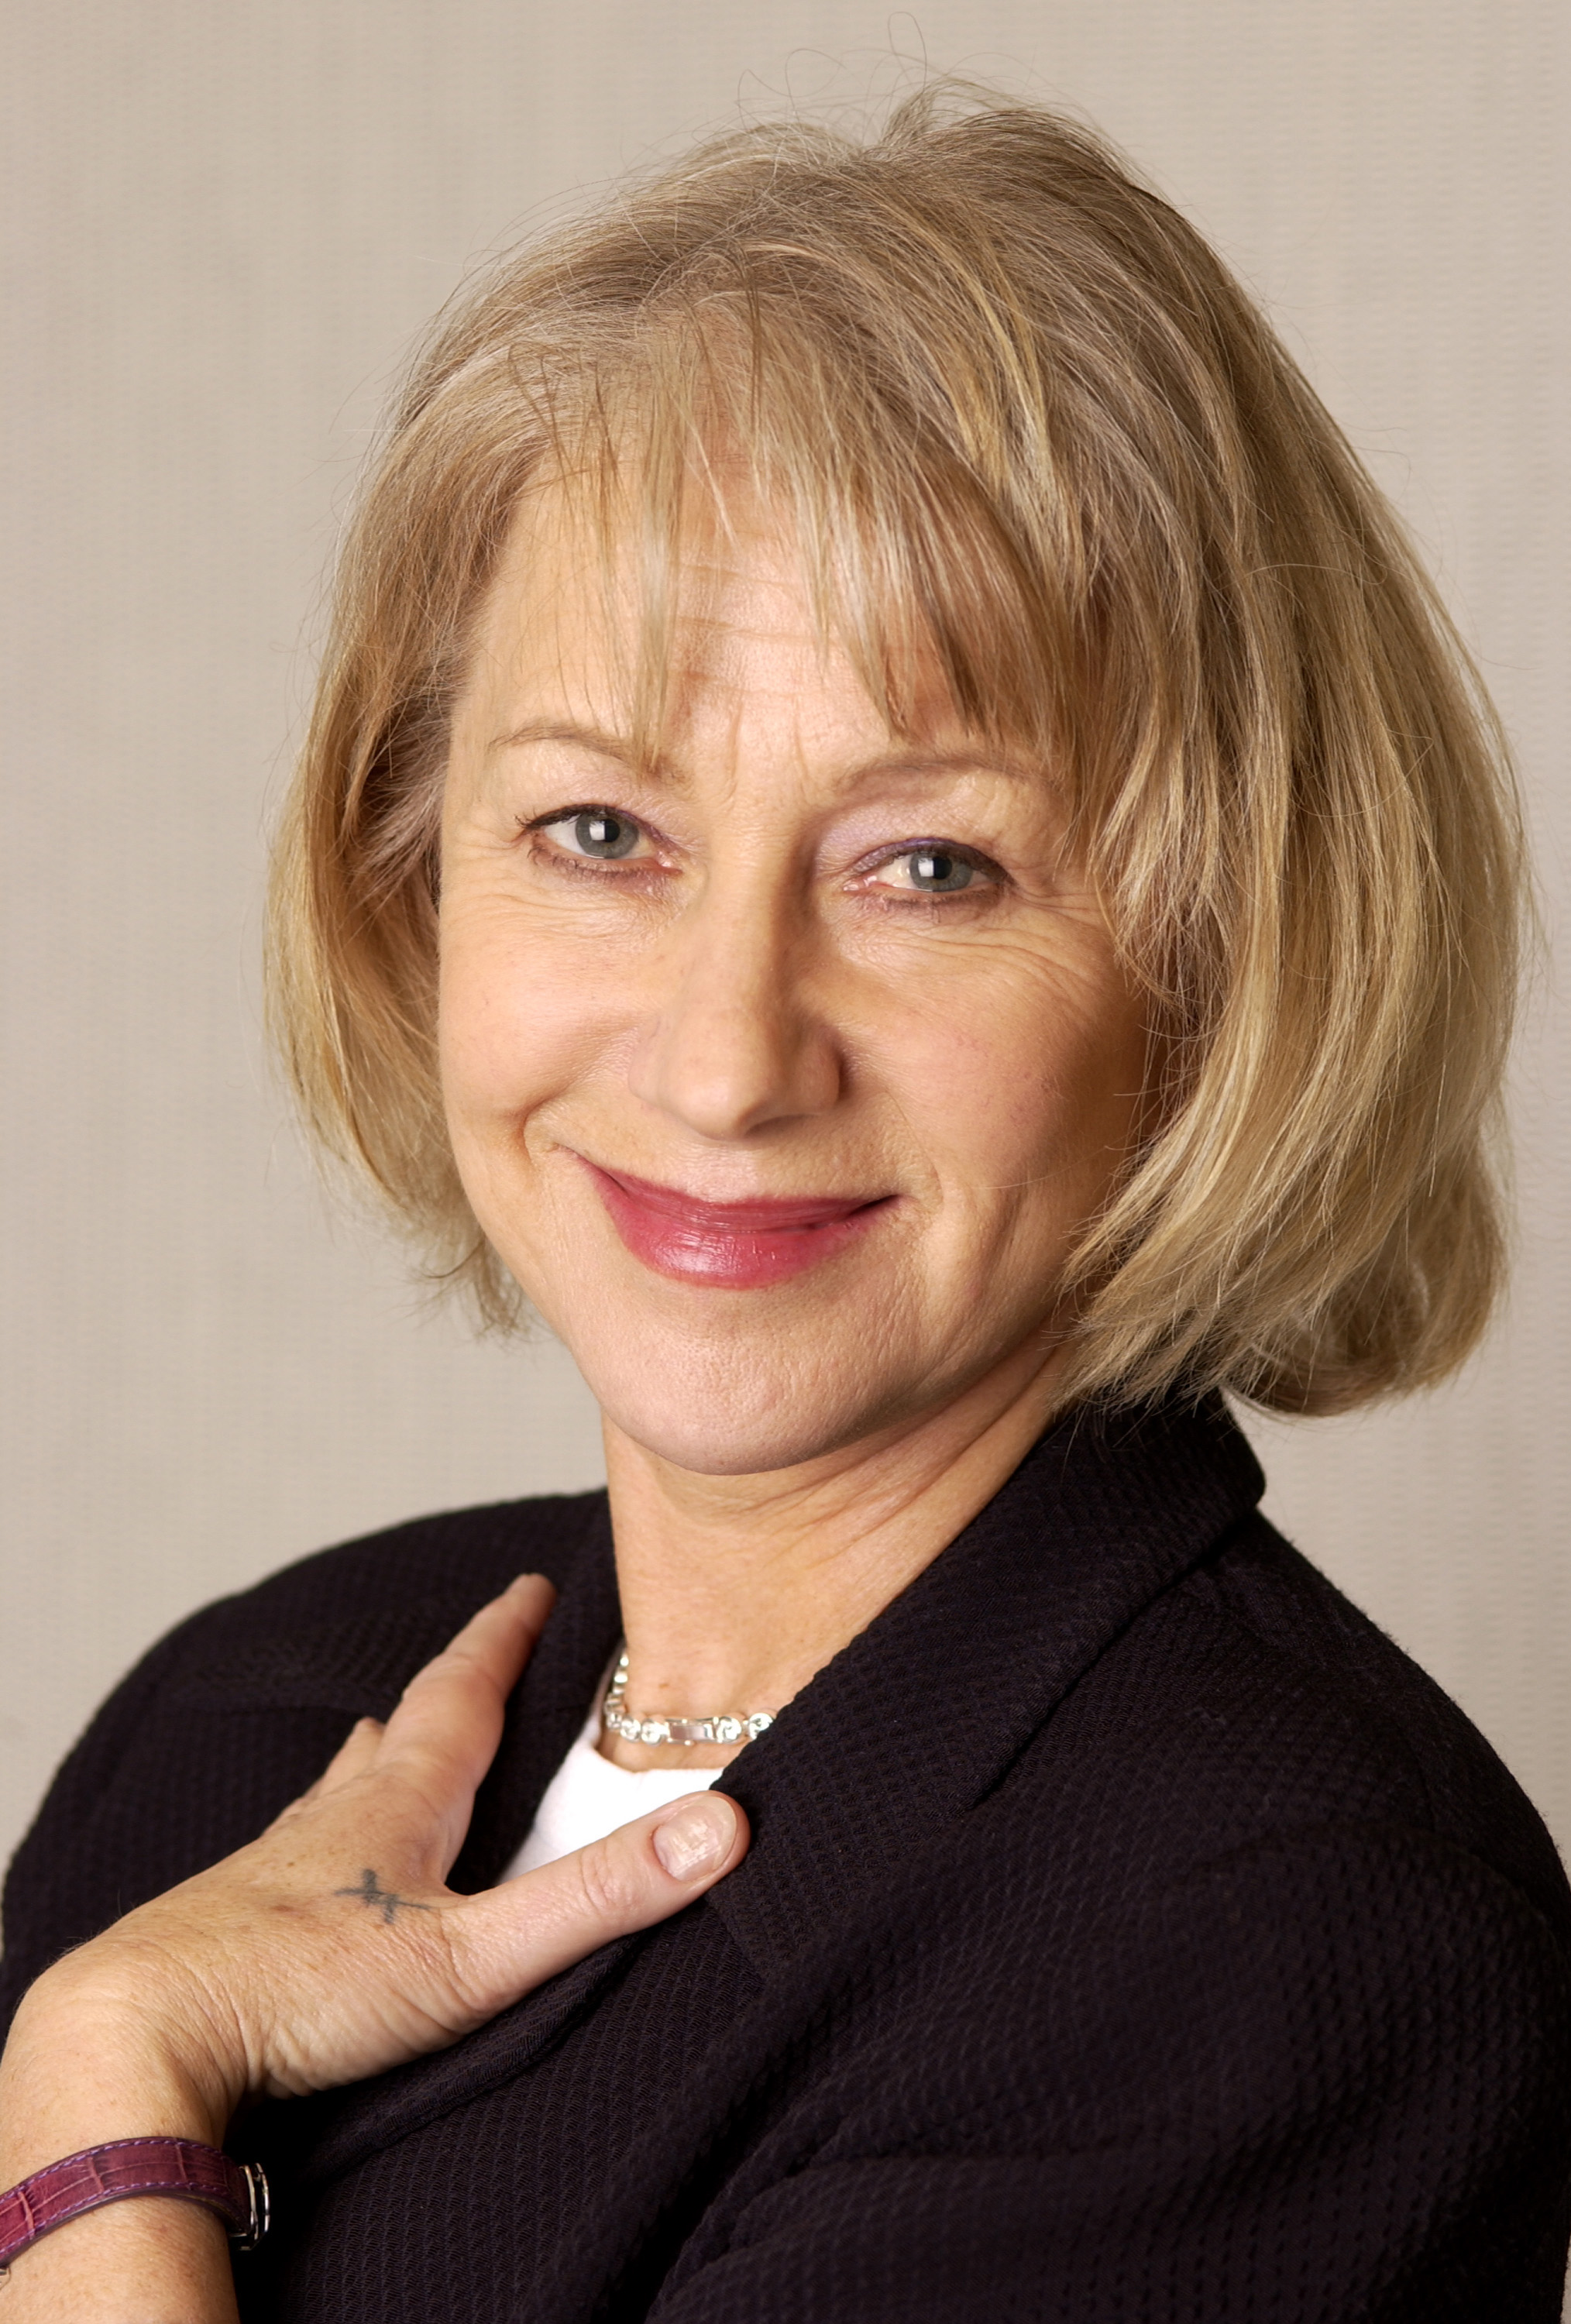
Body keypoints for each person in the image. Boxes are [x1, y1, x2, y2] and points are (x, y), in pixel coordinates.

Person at [1, 87, 1566, 2323]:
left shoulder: (1274, 1947)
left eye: (929, 868)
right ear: (408, 878)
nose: (728, 1054)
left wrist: (96, 2103)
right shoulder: (248, 1713)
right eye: (599, 835)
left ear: (1219, 967)